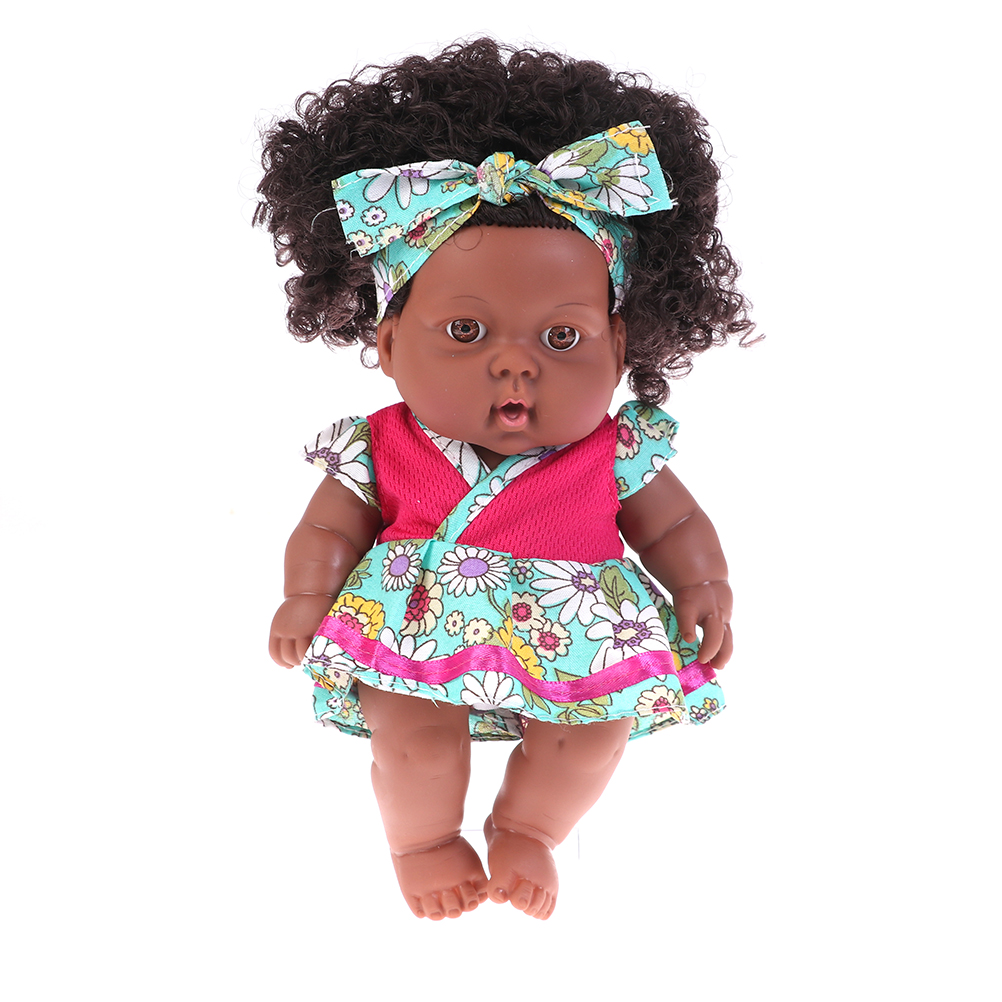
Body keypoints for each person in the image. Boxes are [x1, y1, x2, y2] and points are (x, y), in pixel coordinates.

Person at [256, 38, 753, 921]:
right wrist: (305, 595)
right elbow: (329, 528)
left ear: (621, 349)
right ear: (388, 344)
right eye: (466, 333)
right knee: (412, 735)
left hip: (579, 629)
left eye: (562, 338)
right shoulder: (380, 445)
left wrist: (703, 583)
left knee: (592, 735)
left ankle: (530, 827)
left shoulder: (617, 452)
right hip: (414, 621)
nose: (515, 365)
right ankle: (422, 840)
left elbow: (675, 526)